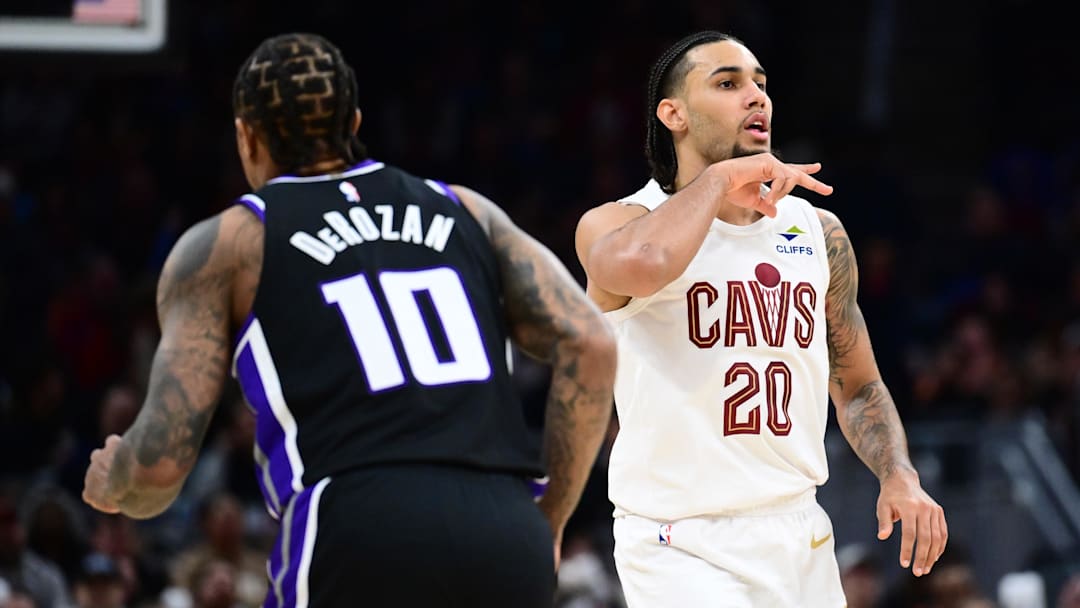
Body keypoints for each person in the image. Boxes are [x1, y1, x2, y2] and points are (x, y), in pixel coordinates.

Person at [82, 32, 616, 607]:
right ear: (355, 120)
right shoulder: (466, 208)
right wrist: (551, 518)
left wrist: (117, 478)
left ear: (247, 136)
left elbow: (159, 467)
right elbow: (591, 344)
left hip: (359, 521)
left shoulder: (230, 243)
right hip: (504, 528)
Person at [574, 30, 947, 606]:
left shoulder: (818, 232)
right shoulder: (620, 222)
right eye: (728, 83)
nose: (757, 97)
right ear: (672, 114)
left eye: (761, 84)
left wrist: (899, 473)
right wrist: (722, 178)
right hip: (680, 539)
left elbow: (857, 383)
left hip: (799, 529)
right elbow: (645, 264)